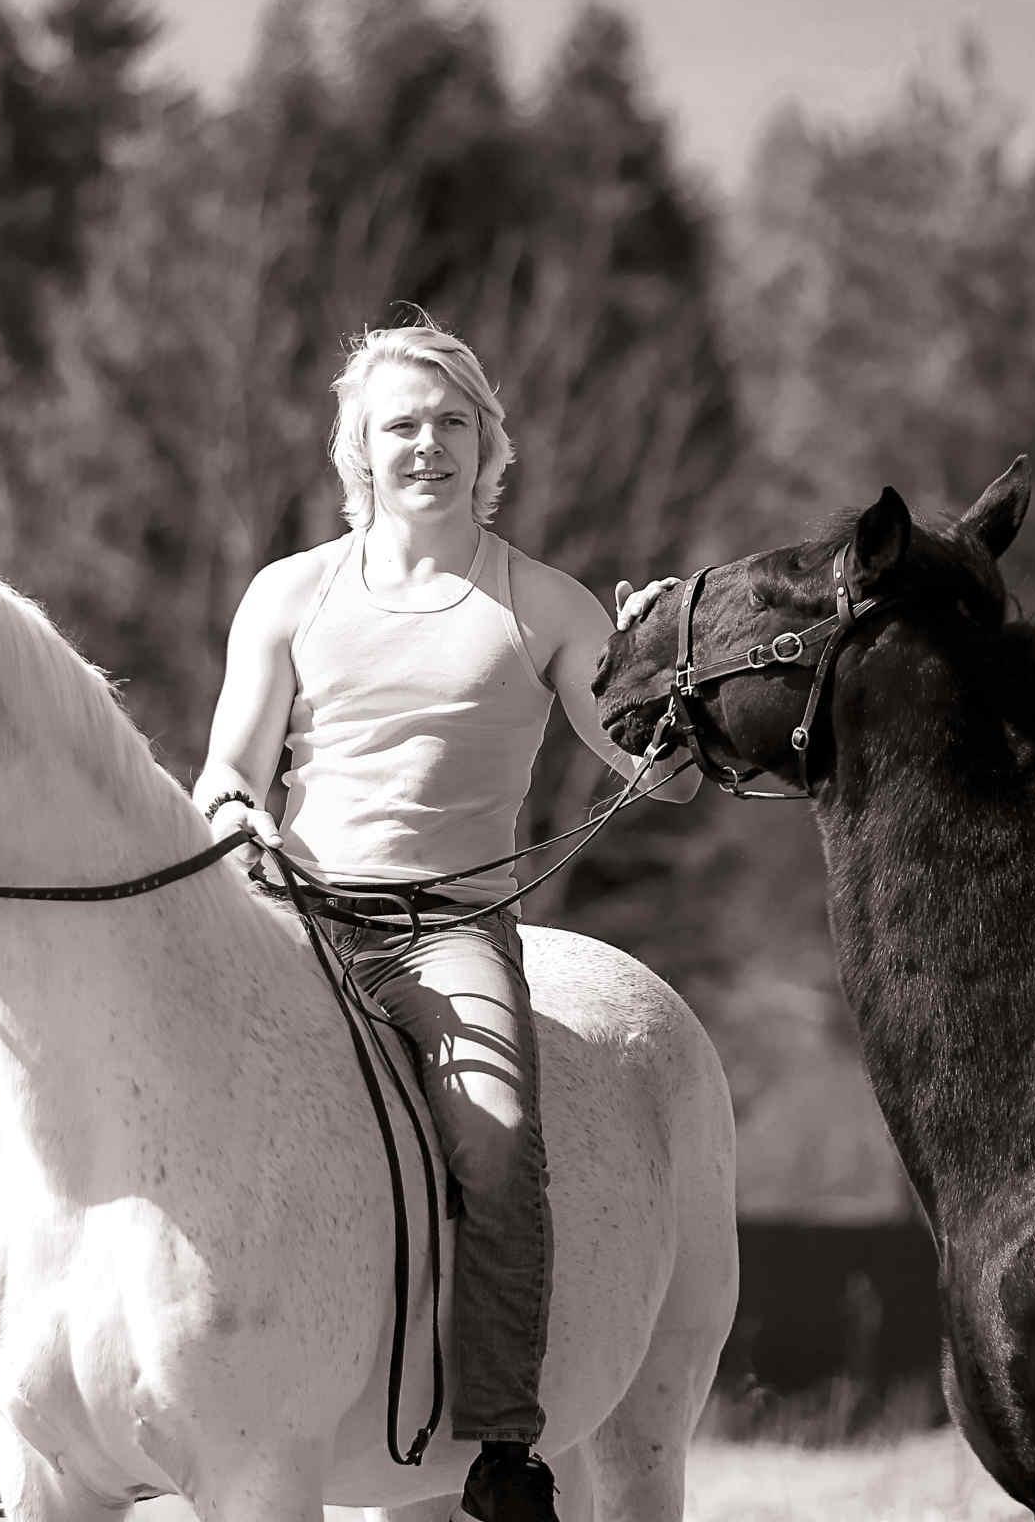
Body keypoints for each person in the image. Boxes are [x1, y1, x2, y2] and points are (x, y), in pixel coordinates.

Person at [191, 322, 690, 1522]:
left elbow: (656, 774)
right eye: (402, 425)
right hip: (286, 921)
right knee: (132, 1073)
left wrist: (663, 668)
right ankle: (65, 1420)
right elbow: (226, 770)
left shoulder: (548, 605)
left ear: (487, 441)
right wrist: (236, 816)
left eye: (452, 422)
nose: (429, 444)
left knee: (499, 1142)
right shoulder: (290, 591)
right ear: (358, 450)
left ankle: (506, 1446)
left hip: (446, 935)